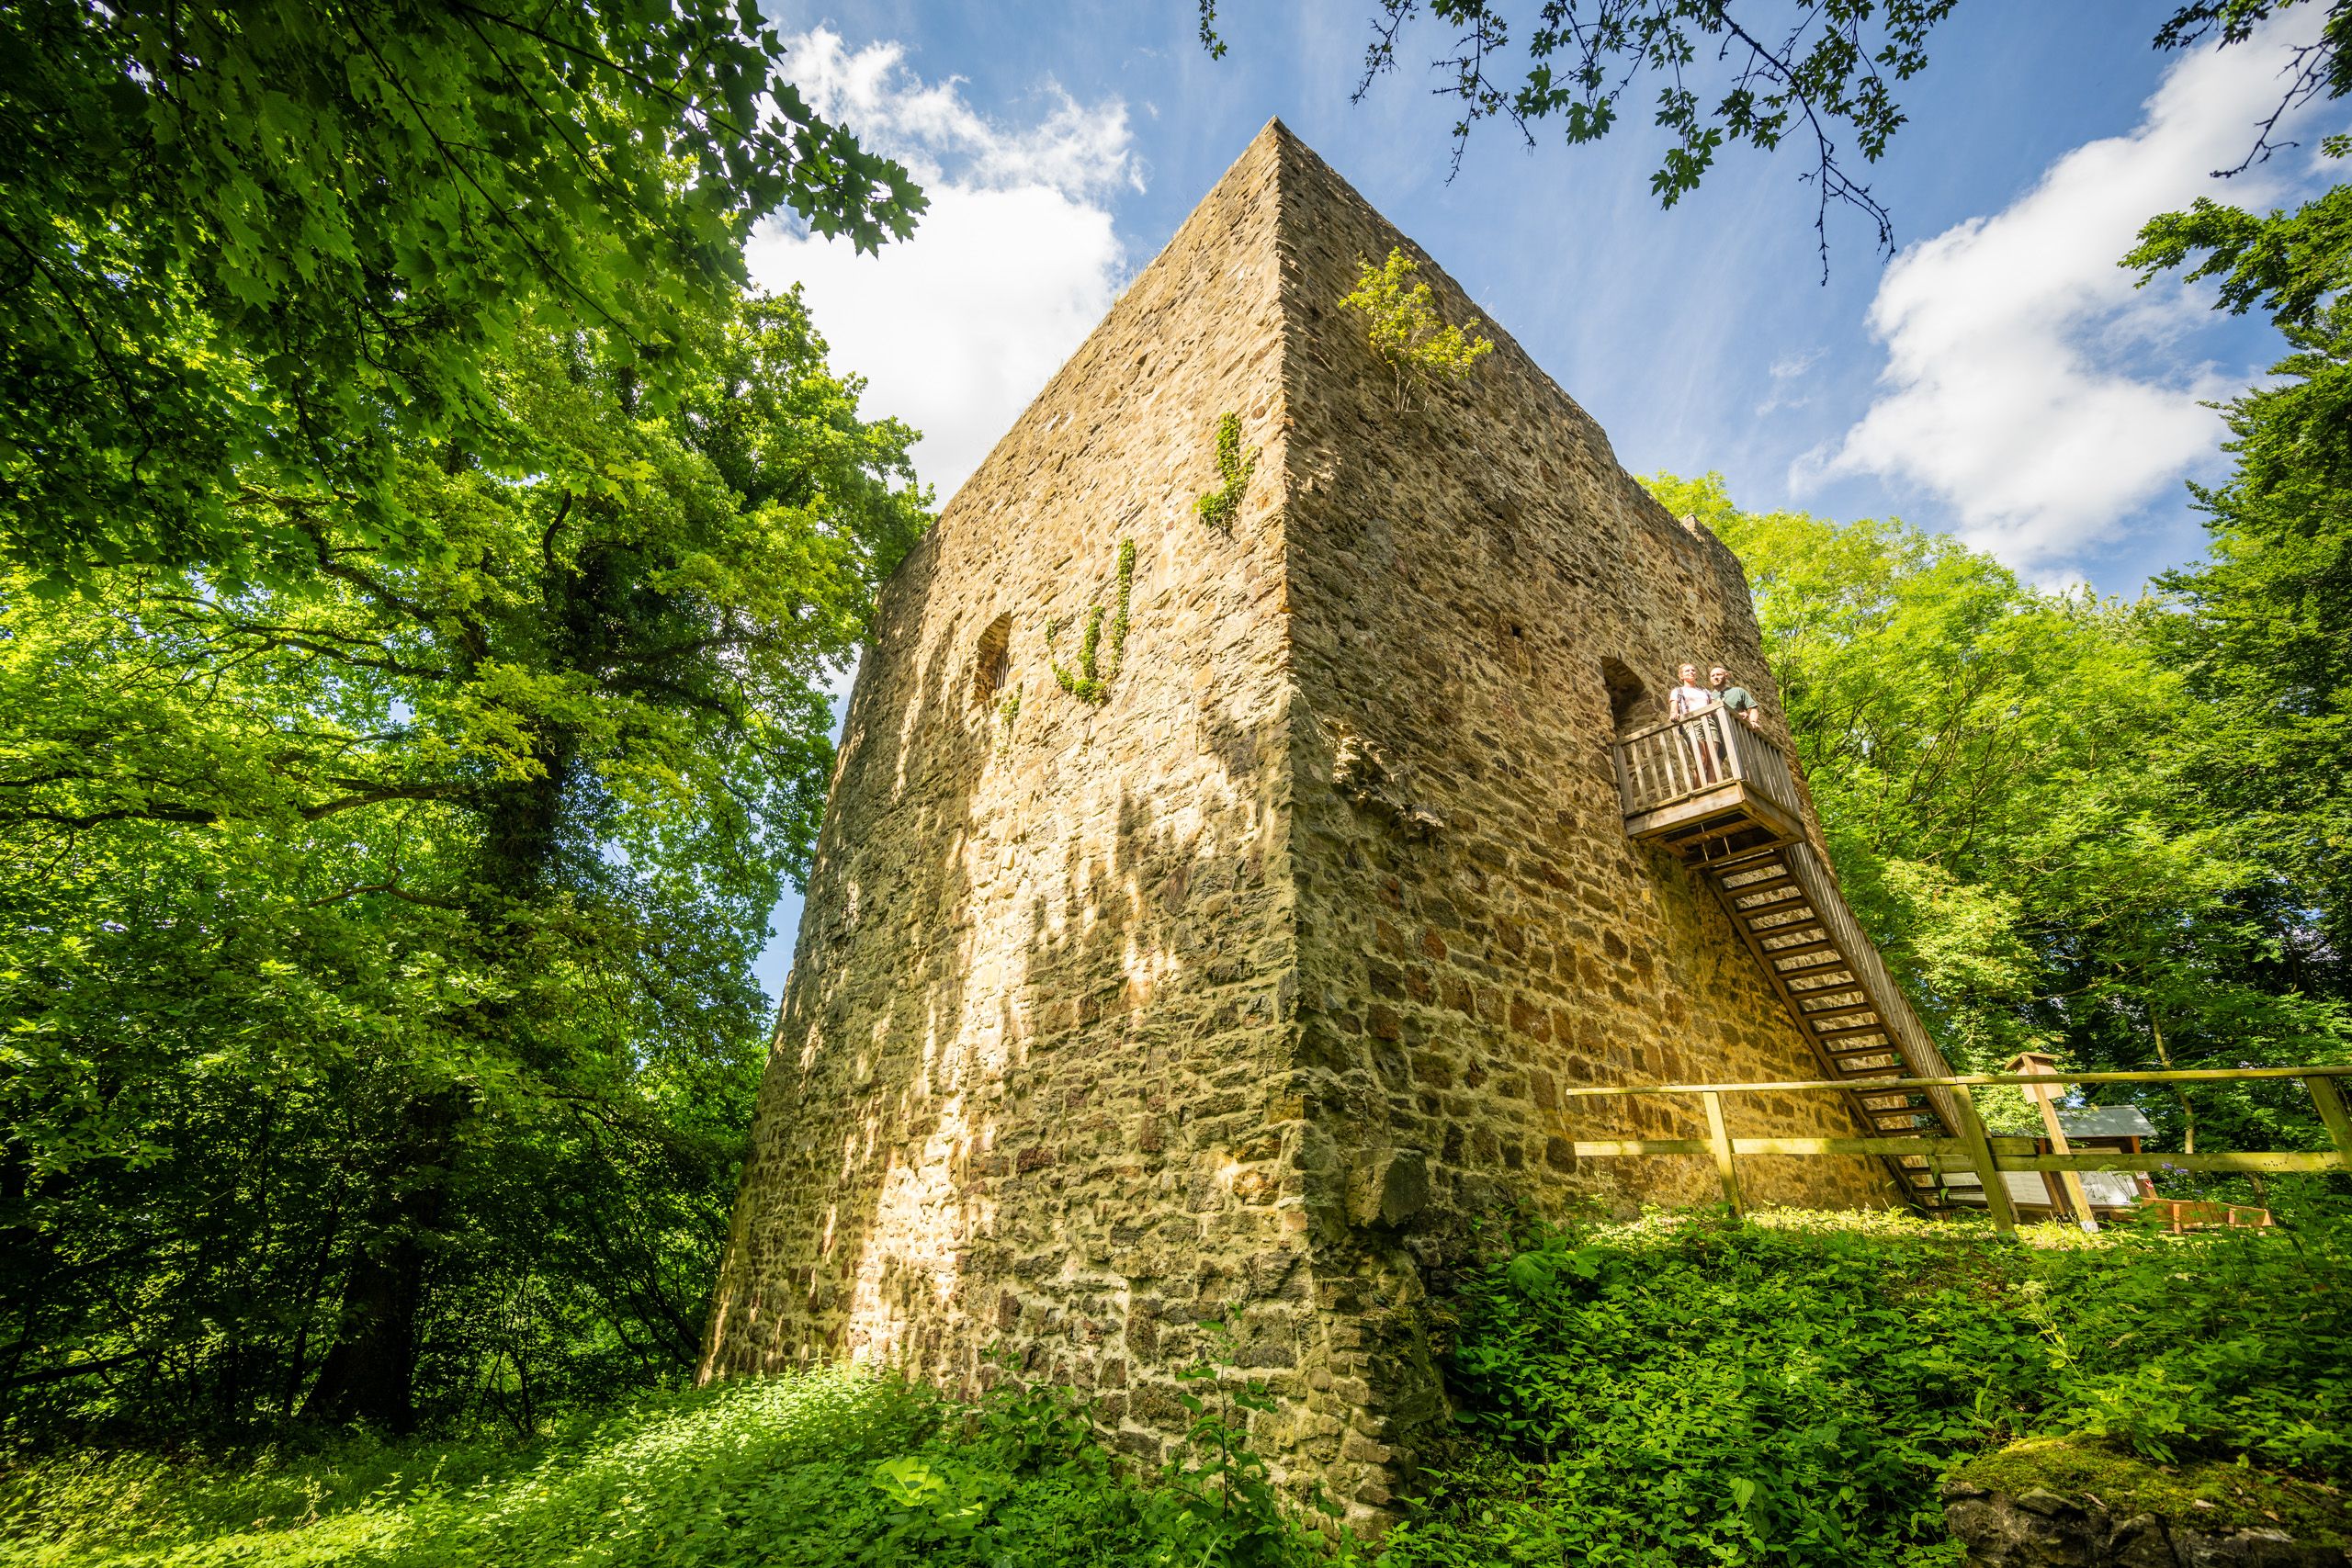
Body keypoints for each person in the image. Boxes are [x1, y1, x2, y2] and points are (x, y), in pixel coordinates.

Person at [1668, 662, 1722, 782]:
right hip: (1692, 723)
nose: (1691, 672)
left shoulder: (1705, 691)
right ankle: (1700, 793)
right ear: (1681, 676)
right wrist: (1674, 714)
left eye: (1693, 670)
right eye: (1687, 671)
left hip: (1709, 723)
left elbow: (1715, 708)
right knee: (1702, 759)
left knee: (1713, 760)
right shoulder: (1678, 691)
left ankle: (1711, 788)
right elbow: (1674, 708)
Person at [1708, 665, 1762, 732]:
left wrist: (1753, 721)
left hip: (1737, 730)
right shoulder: (1708, 696)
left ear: (1726, 676)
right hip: (1718, 731)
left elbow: (1753, 709)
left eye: (1719, 674)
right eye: (1713, 676)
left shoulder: (1738, 691)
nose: (1715, 677)